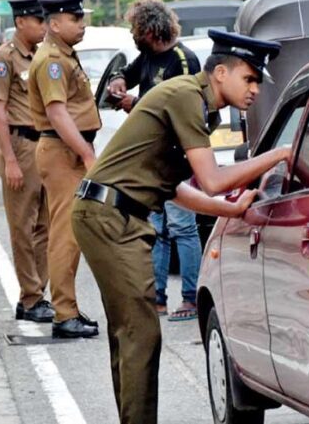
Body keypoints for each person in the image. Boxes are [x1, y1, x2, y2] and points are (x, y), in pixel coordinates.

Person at [72, 29, 289, 424]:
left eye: (258, 81)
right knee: (141, 333)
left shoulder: (201, 105)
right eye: (249, 78)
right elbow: (213, 179)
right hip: (109, 217)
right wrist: (281, 154)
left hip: (116, 214)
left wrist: (229, 210)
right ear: (220, 73)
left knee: (130, 333)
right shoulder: (186, 96)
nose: (255, 89)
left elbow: (173, 187)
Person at [107, 0, 203, 321]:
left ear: (150, 29)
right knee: (157, 229)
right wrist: (118, 82)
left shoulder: (183, 60)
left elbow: (182, 111)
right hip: (151, 158)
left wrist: (134, 104)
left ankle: (191, 297)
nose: (133, 35)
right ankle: (157, 298)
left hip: (175, 157)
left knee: (182, 228)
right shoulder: (147, 56)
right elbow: (125, 72)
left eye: (136, 29)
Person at [29, 0, 100, 338]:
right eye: (75, 19)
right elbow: (57, 114)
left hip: (67, 151)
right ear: (55, 24)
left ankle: (67, 307)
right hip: (62, 153)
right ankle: (64, 314)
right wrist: (86, 153)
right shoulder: (52, 61)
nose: (82, 24)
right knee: (65, 236)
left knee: (71, 234)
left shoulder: (64, 55)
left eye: (81, 18)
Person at [0, 0, 54, 323]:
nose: (44, 26)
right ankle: (30, 297)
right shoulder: (4, 59)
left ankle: (35, 293)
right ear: (20, 22)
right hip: (21, 145)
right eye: (38, 21)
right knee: (23, 228)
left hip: (44, 146)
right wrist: (10, 160)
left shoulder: (43, 55)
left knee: (46, 226)